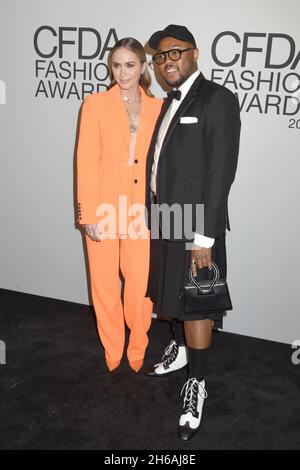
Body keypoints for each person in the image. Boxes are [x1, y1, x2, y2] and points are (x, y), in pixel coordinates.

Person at [144, 25, 241, 439]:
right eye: (161, 57)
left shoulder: (217, 99)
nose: (167, 62)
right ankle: (180, 351)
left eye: (175, 53)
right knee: (169, 295)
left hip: (196, 225)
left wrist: (205, 237)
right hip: (166, 216)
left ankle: (196, 384)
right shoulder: (170, 100)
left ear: (195, 53)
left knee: (198, 304)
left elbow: (220, 173)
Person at [76, 38, 162, 373]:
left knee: (141, 283)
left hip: (141, 210)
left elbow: (159, 163)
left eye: (130, 65)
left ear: (143, 67)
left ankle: (138, 344)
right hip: (104, 207)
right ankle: (113, 346)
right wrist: (88, 213)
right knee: (104, 283)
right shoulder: (95, 104)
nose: (122, 72)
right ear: (110, 68)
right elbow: (86, 160)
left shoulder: (158, 107)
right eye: (116, 65)